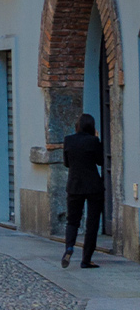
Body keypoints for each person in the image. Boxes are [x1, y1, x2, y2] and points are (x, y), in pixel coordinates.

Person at [62, 113, 105, 269]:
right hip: (93, 186)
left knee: (72, 220)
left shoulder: (68, 140)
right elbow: (100, 161)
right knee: (92, 223)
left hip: (74, 185)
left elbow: (67, 163)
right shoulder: (93, 141)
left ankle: (69, 247)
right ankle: (86, 259)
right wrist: (97, 141)